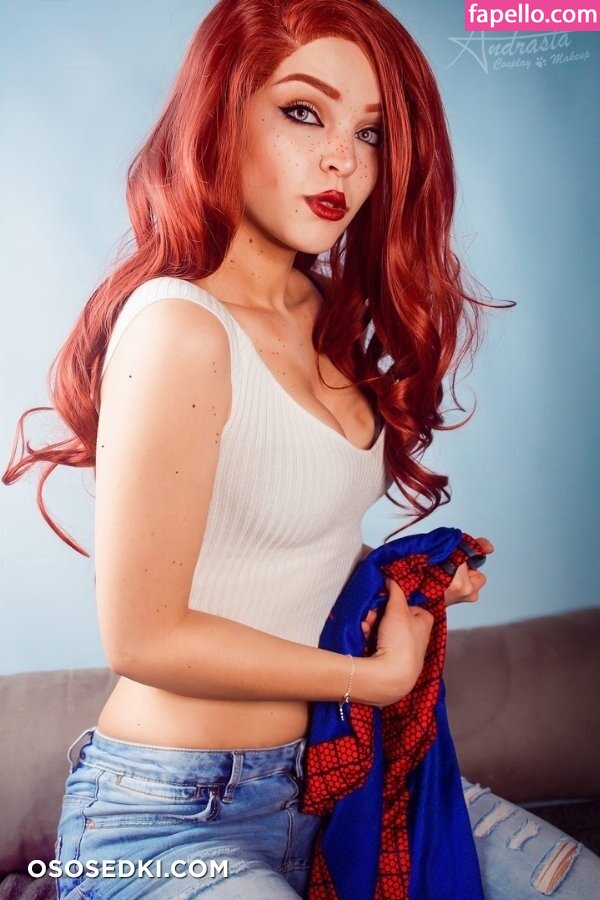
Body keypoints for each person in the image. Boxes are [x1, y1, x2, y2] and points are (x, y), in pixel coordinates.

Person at [3, 0, 599, 897]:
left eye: (370, 133)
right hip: (168, 815)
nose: (342, 161)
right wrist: (371, 678)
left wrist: (403, 585)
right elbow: (143, 637)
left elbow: (285, 553)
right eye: (303, 112)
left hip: (338, 777)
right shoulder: (177, 327)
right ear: (221, 116)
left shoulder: (323, 314)